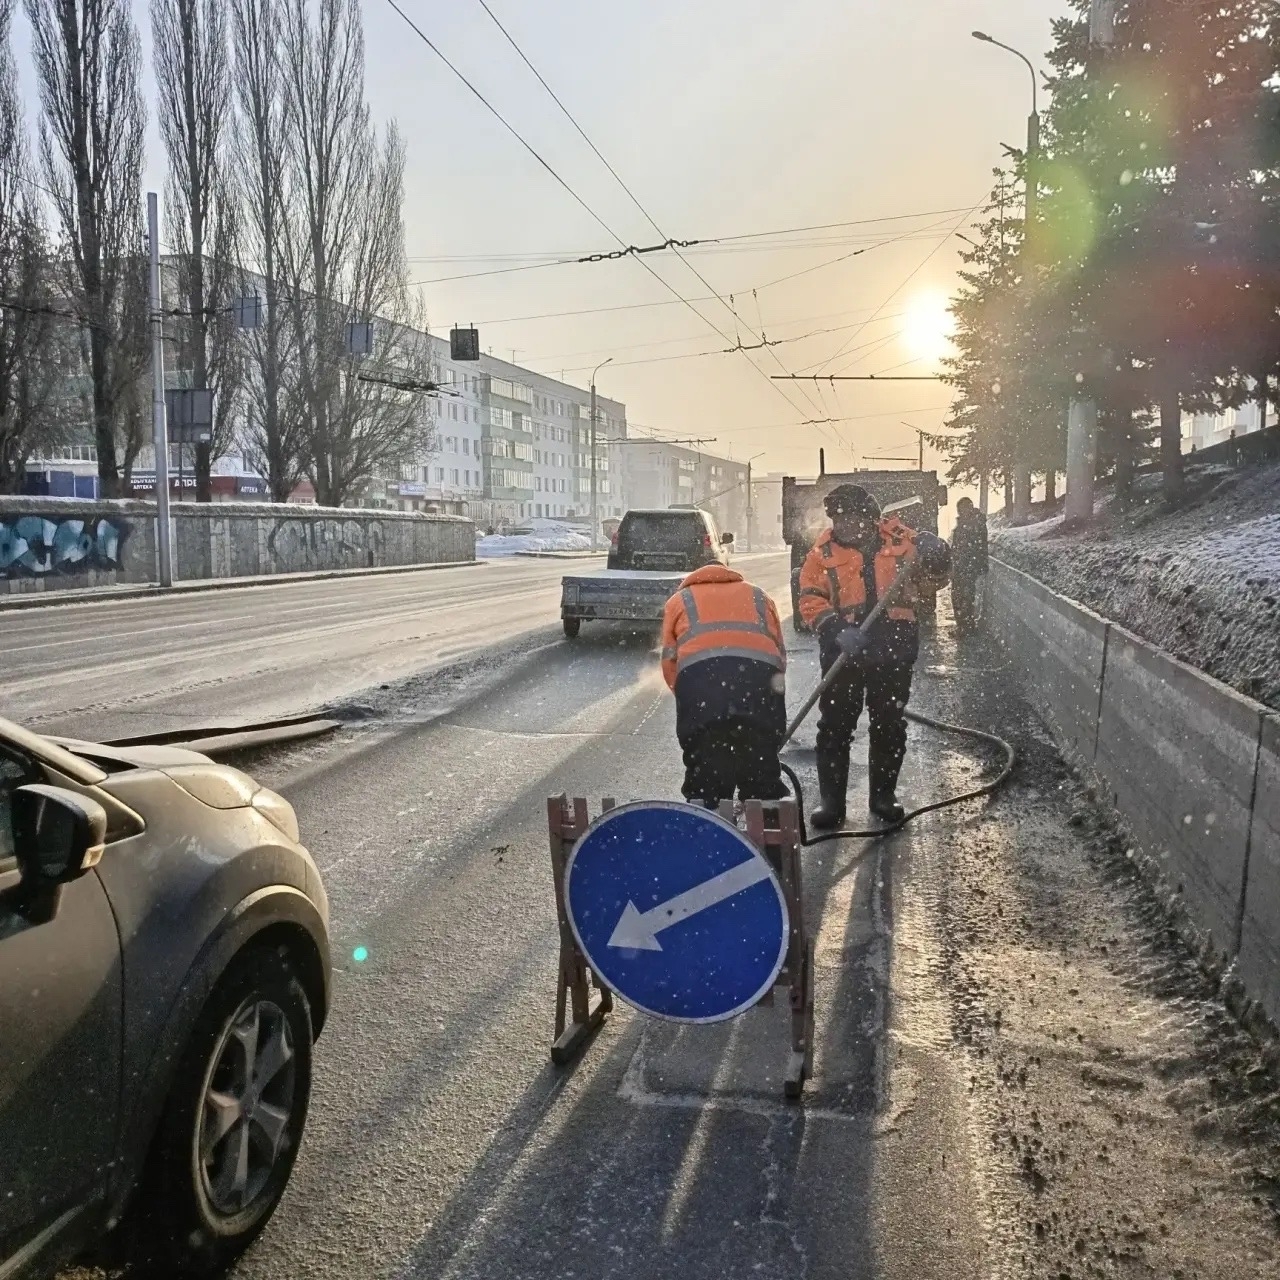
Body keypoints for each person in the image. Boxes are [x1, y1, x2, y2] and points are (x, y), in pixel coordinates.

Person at [797, 484, 951, 828]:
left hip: (894, 647)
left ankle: (883, 797)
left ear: (869, 517)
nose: (844, 526)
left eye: (851, 518)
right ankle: (832, 804)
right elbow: (809, 598)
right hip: (844, 650)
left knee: (889, 725)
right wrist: (835, 628)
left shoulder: (902, 540)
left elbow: (934, 581)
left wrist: (939, 554)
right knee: (835, 727)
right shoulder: (820, 553)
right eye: (838, 520)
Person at [661, 563, 787, 809]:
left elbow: (670, 661)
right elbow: (779, 654)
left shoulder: (680, 600)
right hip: (759, 682)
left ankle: (711, 821)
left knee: (707, 766)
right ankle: (765, 824)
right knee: (760, 761)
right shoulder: (759, 595)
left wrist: (691, 697)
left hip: (701, 685)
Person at [950, 497, 989, 636]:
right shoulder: (973, 523)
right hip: (965, 566)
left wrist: (960, 562)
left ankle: (965, 627)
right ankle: (965, 626)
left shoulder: (973, 524)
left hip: (967, 567)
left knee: (963, 597)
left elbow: (973, 547)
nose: (960, 512)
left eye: (962, 509)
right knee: (962, 597)